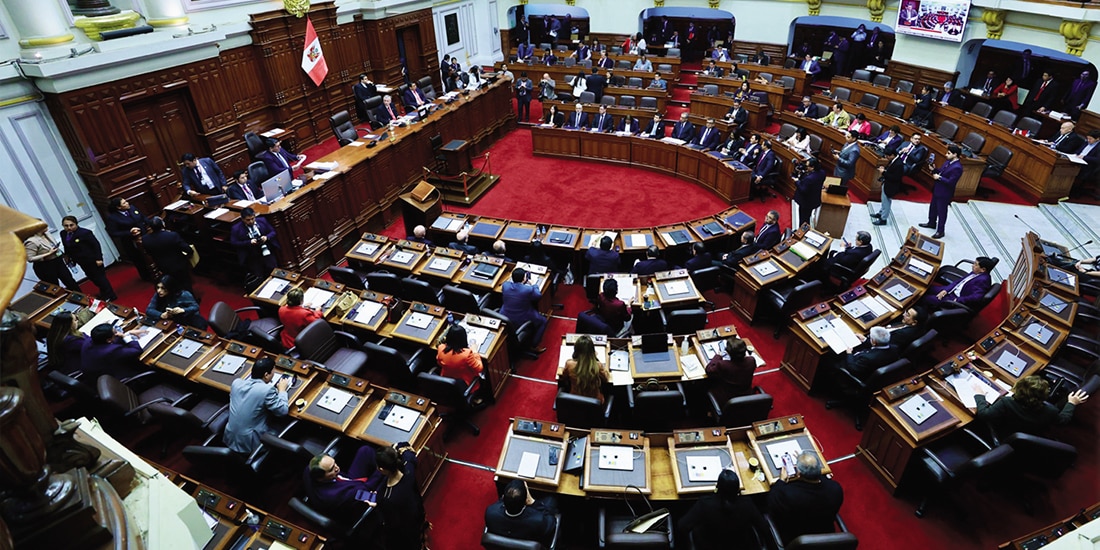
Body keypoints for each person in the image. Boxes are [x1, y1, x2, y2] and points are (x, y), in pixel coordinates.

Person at [974, 375, 1089, 441]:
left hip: (1003, 435)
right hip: (1029, 436)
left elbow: (984, 415)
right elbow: (1063, 420)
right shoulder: (1050, 411)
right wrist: (1071, 403)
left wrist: (980, 395)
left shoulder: (1006, 403)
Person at [767, 450, 844, 544]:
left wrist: (781, 481)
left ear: (798, 474)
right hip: (825, 531)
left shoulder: (789, 495)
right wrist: (804, 461)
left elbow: (771, 502)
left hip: (795, 537)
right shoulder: (836, 488)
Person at [678, 468, 766, 549]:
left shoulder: (705, 504)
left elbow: (682, 526)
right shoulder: (747, 504)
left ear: (717, 486)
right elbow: (763, 526)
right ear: (738, 489)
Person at [224, 357, 290, 455]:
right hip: (250, 444)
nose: (273, 374)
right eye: (273, 373)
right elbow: (283, 411)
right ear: (266, 375)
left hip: (229, 437)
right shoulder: (267, 391)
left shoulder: (236, 383)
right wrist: (282, 391)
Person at [305, 446, 385, 521]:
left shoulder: (309, 469)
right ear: (320, 478)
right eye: (331, 469)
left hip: (348, 481)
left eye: (334, 463)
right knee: (386, 472)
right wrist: (383, 468)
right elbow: (367, 492)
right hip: (359, 499)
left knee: (365, 451)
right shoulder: (337, 495)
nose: (336, 468)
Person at [374, 445, 427, 550]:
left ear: (381, 469)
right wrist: (395, 447)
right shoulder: (408, 469)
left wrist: (376, 504)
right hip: (418, 514)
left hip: (405, 530)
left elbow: (390, 523)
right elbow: (407, 449)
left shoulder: (386, 497)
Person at [485, 479, 559, 545]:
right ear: (526, 501)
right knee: (551, 500)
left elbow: (499, 503)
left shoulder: (490, 512)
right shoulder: (538, 520)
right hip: (530, 538)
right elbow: (552, 522)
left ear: (503, 497)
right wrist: (533, 503)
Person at [59, 216, 117, 301]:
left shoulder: (85, 233)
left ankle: (110, 295)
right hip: (81, 261)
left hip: (92, 259)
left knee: (100, 278)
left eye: (71, 225)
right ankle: (104, 292)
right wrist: (67, 256)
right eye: (66, 226)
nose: (69, 228)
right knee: (92, 277)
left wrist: (99, 258)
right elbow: (66, 246)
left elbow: (96, 245)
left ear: (76, 224)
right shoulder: (63, 233)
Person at [920, 144, 962, 238]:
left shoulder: (957, 167)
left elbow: (951, 182)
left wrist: (939, 178)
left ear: (955, 154)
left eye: (949, 153)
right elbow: (942, 172)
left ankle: (940, 231)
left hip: (945, 192)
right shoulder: (948, 162)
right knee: (933, 207)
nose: (946, 154)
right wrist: (934, 170)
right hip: (937, 189)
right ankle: (931, 222)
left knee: (942, 212)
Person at [501, 268, 548, 352]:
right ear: (524, 279)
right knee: (543, 321)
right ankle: (534, 345)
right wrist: (534, 284)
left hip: (504, 315)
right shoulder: (528, 289)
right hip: (522, 316)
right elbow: (538, 296)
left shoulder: (505, 285)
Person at [142, 217, 194, 292]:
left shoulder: (145, 239)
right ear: (163, 225)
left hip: (162, 266)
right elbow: (186, 248)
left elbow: (149, 252)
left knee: (171, 284)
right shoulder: (172, 235)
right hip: (178, 265)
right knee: (185, 284)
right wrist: (190, 253)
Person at [924, 256, 996, 309]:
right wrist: (946, 290)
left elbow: (976, 297)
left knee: (925, 298)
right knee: (925, 288)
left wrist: (958, 300)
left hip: (954, 298)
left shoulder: (983, 280)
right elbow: (959, 281)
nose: (972, 265)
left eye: (976, 264)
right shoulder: (976, 272)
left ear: (983, 270)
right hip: (951, 290)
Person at [24, 223, 80, 291]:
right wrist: (48, 254)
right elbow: (30, 258)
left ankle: (83, 299)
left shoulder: (47, 234)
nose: (47, 225)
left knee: (70, 281)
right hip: (45, 266)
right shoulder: (31, 241)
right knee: (54, 288)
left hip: (57, 261)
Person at [81, 323, 146, 379]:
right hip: (116, 379)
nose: (117, 333)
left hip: (96, 376)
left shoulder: (88, 341)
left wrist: (128, 333)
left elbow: (112, 341)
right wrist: (125, 336)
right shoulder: (110, 351)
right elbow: (137, 350)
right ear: (108, 340)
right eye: (115, 333)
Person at [230, 207, 279, 282]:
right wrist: (248, 242)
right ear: (242, 219)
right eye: (248, 220)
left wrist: (266, 237)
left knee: (274, 270)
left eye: (253, 218)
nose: (251, 221)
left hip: (266, 249)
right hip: (251, 254)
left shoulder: (262, 220)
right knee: (258, 275)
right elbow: (234, 242)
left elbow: (273, 232)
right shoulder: (236, 228)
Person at [561, 335, 611, 403]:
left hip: (574, 401)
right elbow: (606, 378)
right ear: (592, 351)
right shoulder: (597, 366)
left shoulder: (569, 364)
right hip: (594, 404)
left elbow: (563, 377)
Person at [705, 336, 756, 402]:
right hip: (746, 395)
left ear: (728, 352)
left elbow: (709, 370)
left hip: (728, 399)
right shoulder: (751, 361)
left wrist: (718, 356)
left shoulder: (724, 365)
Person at [873, 149, 904, 226]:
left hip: (891, 186)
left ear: (893, 155)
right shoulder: (893, 160)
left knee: (886, 202)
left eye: (888, 156)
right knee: (883, 200)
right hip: (886, 183)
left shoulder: (899, 164)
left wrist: (883, 172)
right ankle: (881, 213)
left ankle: (883, 219)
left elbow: (895, 178)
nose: (886, 157)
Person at [794, 158, 826, 227]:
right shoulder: (822, 173)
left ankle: (801, 233)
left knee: (803, 219)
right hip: (814, 199)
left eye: (807, 166)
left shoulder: (809, 178)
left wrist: (797, 181)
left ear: (813, 167)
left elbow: (803, 190)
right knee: (807, 216)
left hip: (806, 202)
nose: (806, 167)